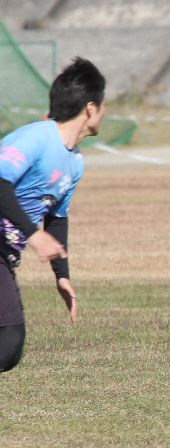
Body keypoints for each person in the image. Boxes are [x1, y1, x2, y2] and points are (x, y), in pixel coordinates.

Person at [0, 57, 105, 372]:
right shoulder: (36, 138)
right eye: (103, 105)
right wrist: (34, 236)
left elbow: (57, 217)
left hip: (5, 255)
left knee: (7, 345)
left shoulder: (74, 162)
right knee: (8, 343)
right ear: (90, 108)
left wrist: (62, 275)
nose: (104, 112)